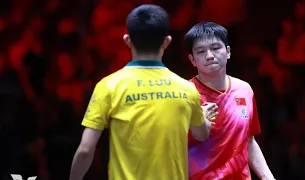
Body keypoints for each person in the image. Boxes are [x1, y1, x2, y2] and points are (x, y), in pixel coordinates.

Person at [69, 5, 217, 180]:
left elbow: (86, 149)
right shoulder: (186, 89)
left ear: (127, 40)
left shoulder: (109, 86)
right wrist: (204, 118)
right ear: (167, 42)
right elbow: (201, 134)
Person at [184, 22, 275, 180]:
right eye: (201, 51)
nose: (209, 55)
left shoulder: (244, 90)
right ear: (192, 60)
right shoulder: (184, 94)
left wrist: (268, 177)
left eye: (215, 48)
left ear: (228, 52)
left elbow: (248, 141)